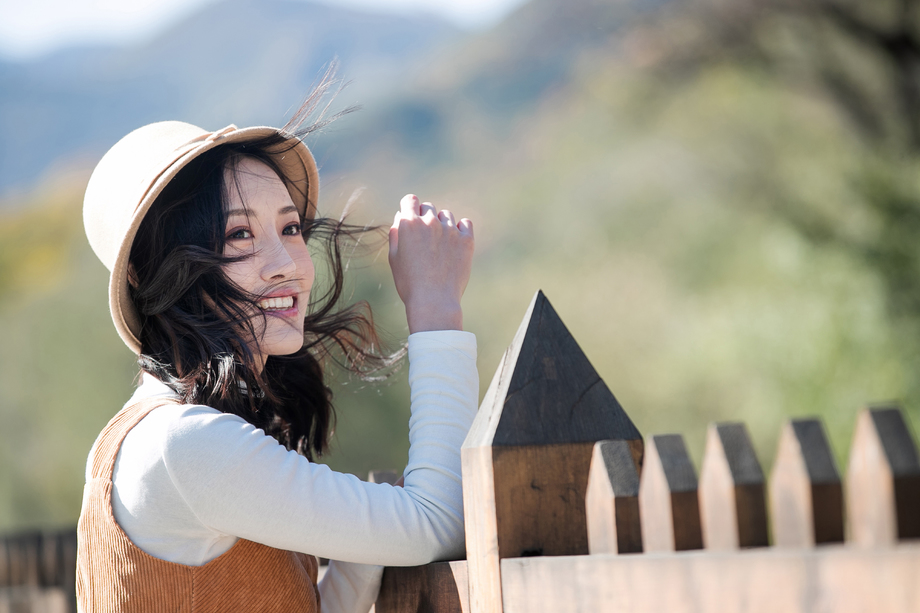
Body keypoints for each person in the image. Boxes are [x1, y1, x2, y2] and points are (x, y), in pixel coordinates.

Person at [77, 100, 478, 613]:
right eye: (238, 235)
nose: (287, 265)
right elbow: (440, 522)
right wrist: (435, 304)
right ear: (157, 272)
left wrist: (368, 538)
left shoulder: (169, 437)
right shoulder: (181, 445)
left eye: (290, 229)